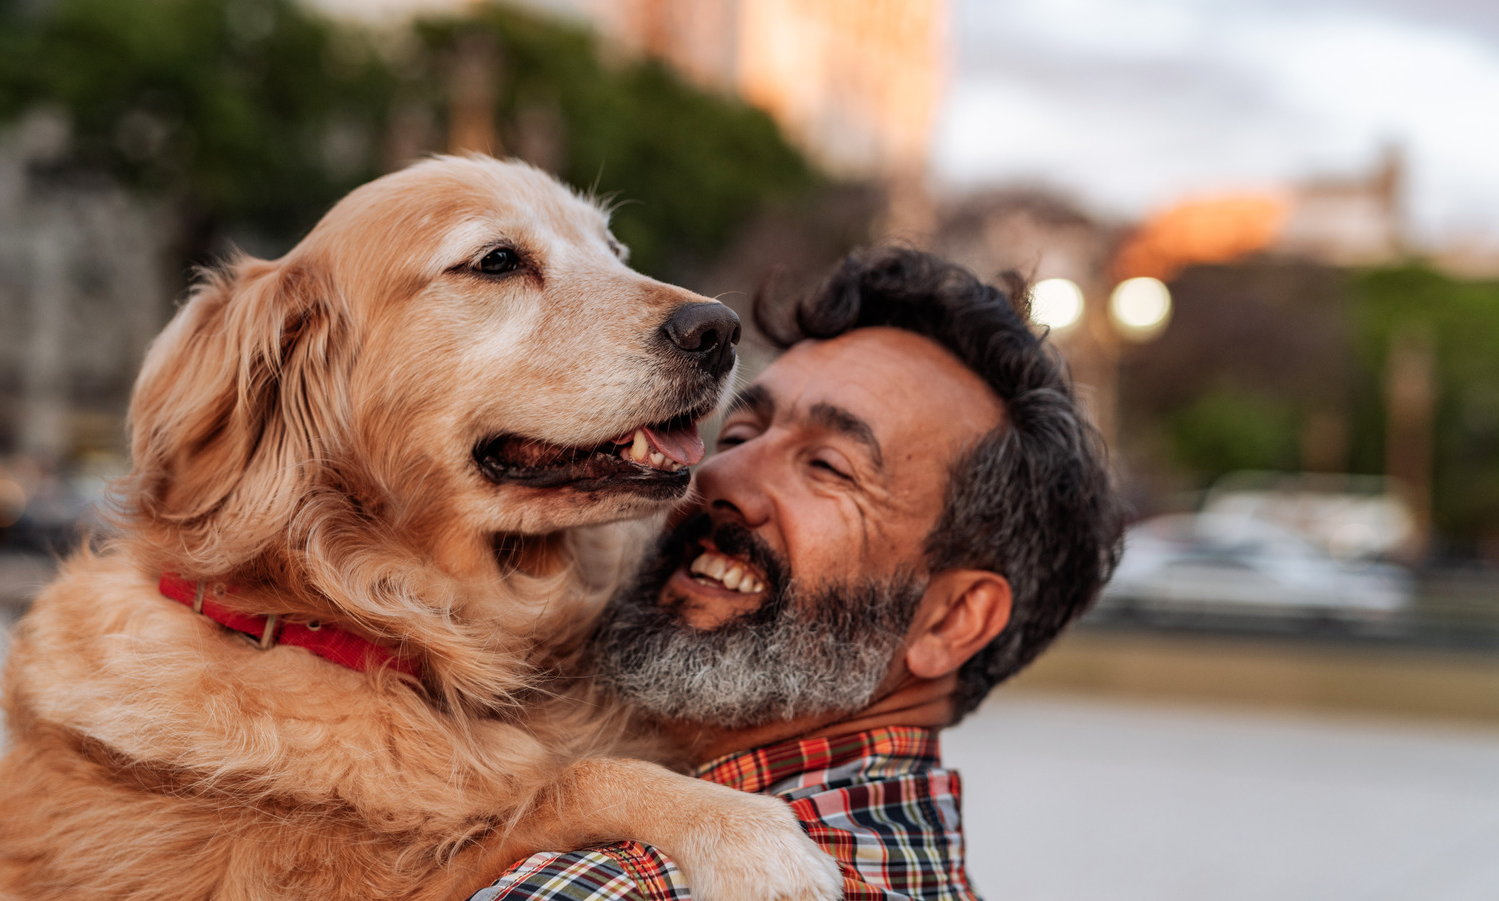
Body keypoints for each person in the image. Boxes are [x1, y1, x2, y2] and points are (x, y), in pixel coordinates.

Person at [474, 247, 1125, 901]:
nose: (719, 478)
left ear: (953, 619)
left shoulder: (634, 883)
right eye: (736, 434)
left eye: (828, 468)